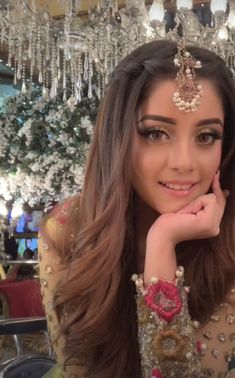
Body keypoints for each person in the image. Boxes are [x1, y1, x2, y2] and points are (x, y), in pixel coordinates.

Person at [38, 39, 235, 378]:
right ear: (118, 138)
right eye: (156, 133)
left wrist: (162, 244)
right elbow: (75, 369)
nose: (184, 164)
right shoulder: (69, 227)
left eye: (206, 136)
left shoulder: (230, 241)